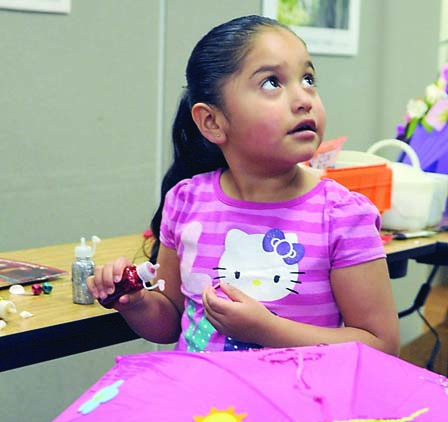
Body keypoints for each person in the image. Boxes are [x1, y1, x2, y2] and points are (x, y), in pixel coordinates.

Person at [88, 14, 400, 356]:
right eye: (272, 83)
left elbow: (380, 345)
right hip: (201, 401)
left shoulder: (341, 215)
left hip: (298, 403)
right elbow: (171, 320)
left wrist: (267, 329)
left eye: (308, 79)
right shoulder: (186, 202)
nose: (304, 99)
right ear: (212, 121)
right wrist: (136, 303)